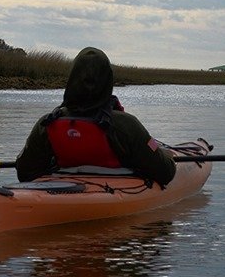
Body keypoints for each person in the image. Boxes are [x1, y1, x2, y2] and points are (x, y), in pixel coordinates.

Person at [15, 47, 176, 185]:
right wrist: (168, 156)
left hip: (64, 190)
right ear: (108, 81)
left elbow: (25, 173)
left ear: (72, 79)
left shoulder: (48, 123)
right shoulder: (126, 124)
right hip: (113, 193)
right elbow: (165, 173)